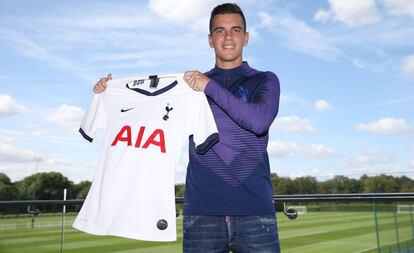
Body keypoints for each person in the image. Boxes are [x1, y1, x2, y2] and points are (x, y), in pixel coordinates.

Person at [93, 3, 281, 253]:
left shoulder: (264, 79)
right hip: (202, 212)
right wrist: (110, 95)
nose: (227, 37)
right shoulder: (186, 88)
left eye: (235, 30)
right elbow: (148, 113)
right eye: (219, 31)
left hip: (255, 211)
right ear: (210, 39)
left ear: (245, 38)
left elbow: (259, 122)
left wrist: (209, 87)